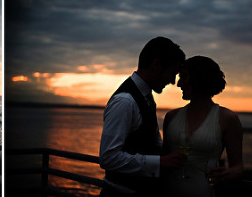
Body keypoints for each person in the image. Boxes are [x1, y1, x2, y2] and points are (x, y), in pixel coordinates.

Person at [98, 36, 187, 197]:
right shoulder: (125, 101)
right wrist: (159, 162)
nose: (173, 81)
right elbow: (108, 158)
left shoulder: (145, 96)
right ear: (156, 65)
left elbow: (150, 141)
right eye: (172, 73)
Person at [160, 56, 243, 197]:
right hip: (168, 190)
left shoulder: (228, 118)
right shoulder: (171, 117)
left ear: (200, 79)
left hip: (203, 191)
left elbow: (238, 167)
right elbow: (163, 159)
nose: (179, 84)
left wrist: (227, 173)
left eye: (184, 77)